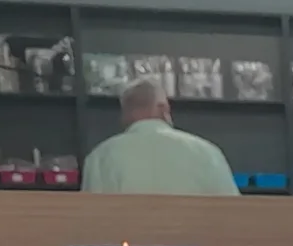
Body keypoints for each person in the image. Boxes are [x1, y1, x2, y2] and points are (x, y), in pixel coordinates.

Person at [81, 80, 240, 196]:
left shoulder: (100, 157)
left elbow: (91, 220)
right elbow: (234, 213)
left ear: (124, 115)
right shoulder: (208, 153)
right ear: (164, 108)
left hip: (129, 233)